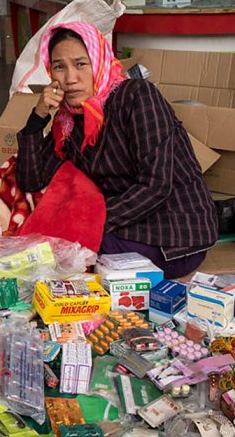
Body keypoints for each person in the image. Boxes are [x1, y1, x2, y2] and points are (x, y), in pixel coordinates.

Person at [15, 21, 218, 278]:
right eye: (59, 67)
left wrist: (87, 222)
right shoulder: (68, 121)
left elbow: (155, 186)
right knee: (44, 235)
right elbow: (31, 180)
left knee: (58, 250)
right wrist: (39, 115)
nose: (70, 79)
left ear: (99, 61)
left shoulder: (137, 97)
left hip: (174, 233)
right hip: (124, 222)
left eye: (81, 64)